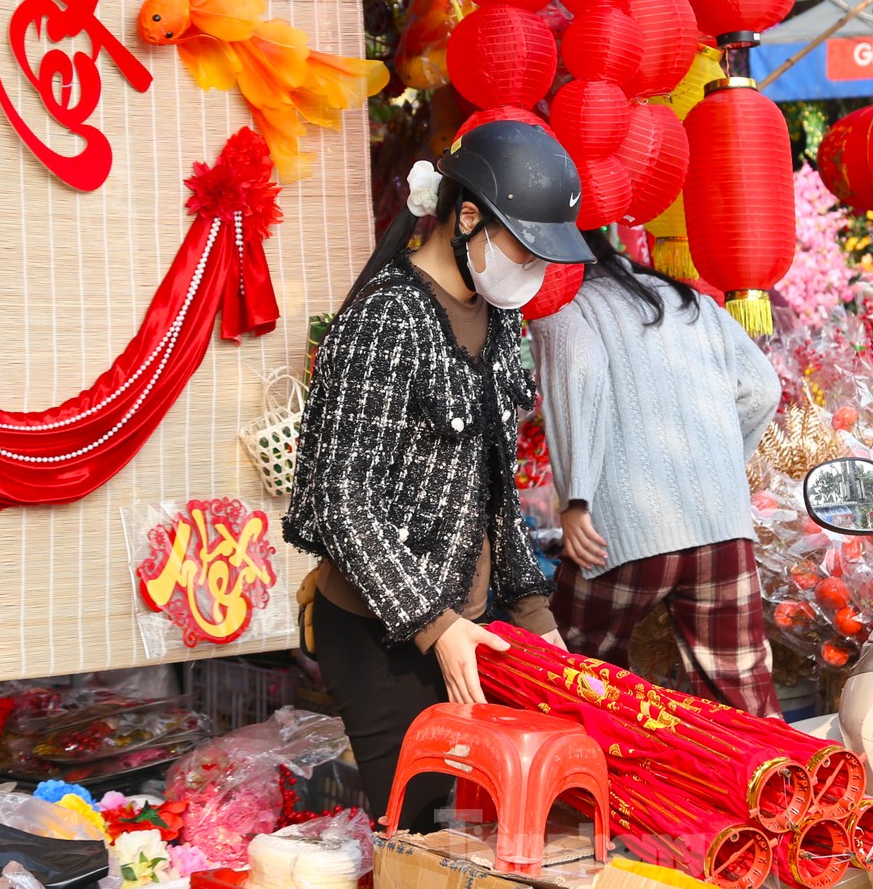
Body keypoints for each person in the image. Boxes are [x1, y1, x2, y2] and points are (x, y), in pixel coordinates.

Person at [284, 121, 593, 832]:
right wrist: (433, 622)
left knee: (498, 830)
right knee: (422, 835)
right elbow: (340, 499)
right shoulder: (386, 318)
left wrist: (533, 616)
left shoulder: (499, 318)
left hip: (467, 621)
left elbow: (494, 493)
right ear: (469, 217)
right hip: (380, 635)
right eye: (527, 247)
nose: (536, 269)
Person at [529, 230, 783, 717]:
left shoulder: (564, 302)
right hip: (723, 530)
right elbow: (762, 389)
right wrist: (722, 469)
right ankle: (779, 789)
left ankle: (618, 784)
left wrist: (575, 499)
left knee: (577, 675)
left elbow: (576, 375)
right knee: (743, 692)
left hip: (624, 533)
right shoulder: (690, 300)